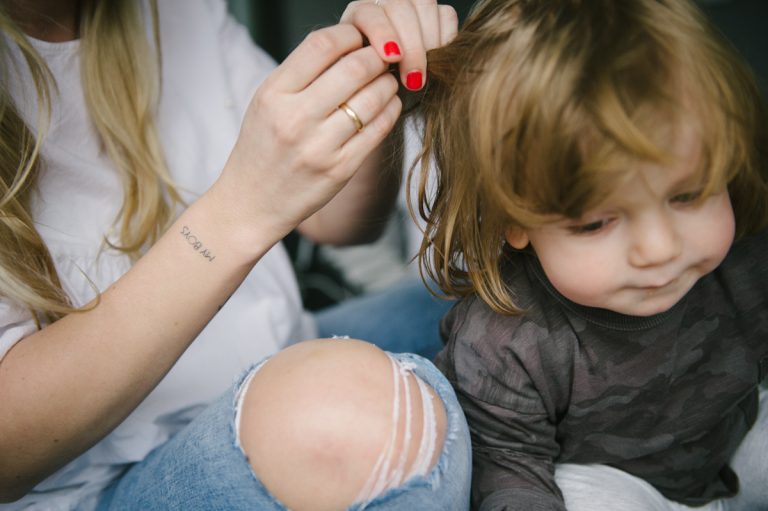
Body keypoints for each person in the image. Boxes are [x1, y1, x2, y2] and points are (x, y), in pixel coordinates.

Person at [0, 0, 473, 509]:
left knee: (504, 296)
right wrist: (242, 211)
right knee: (351, 418)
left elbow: (336, 224)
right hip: (91, 484)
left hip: (282, 352)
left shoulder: (178, 12)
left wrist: (373, 85)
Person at [414, 0, 768, 509]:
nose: (660, 249)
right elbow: (510, 477)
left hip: (739, 455)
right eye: (597, 222)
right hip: (617, 492)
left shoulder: (748, 261)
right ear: (513, 219)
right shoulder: (503, 345)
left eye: (688, 195)